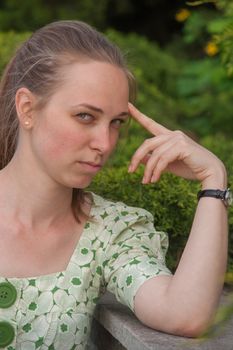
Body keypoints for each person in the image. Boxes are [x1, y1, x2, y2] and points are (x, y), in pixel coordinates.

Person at [0, 20, 230, 350]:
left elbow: (186, 314)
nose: (105, 143)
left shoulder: (110, 232)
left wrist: (213, 180)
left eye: (116, 123)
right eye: (85, 117)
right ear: (27, 108)